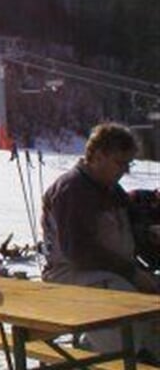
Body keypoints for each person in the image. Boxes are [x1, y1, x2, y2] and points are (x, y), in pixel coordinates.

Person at [40, 122, 159, 362]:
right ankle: (115, 358)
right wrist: (131, 273)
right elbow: (79, 252)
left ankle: (147, 355)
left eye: (128, 164)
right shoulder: (72, 189)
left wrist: (150, 236)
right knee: (126, 304)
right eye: (119, 162)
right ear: (98, 155)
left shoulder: (112, 190)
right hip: (71, 275)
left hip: (110, 272)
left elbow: (132, 234)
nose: (124, 171)